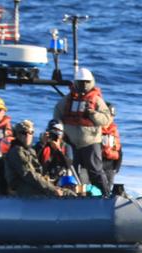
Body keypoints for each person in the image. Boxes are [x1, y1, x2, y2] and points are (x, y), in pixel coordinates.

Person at [53, 66, 111, 196]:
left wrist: (93, 114)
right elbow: (57, 112)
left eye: (86, 82)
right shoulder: (68, 99)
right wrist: (59, 129)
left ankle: (106, 195)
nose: (84, 85)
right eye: (81, 82)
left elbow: (107, 119)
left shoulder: (96, 100)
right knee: (72, 171)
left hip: (90, 142)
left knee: (95, 171)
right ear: (76, 83)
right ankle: (77, 196)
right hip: (71, 142)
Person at [3, 120, 65, 197]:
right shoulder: (16, 151)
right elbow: (29, 174)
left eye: (31, 133)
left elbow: (38, 169)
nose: (27, 136)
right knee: (59, 194)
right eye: (23, 133)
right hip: (22, 186)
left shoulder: (30, 150)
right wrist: (52, 189)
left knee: (68, 192)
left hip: (33, 184)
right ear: (17, 135)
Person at [101, 101, 122, 187]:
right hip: (97, 166)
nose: (111, 118)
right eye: (109, 115)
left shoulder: (114, 130)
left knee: (108, 190)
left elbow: (119, 150)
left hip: (110, 166)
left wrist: (116, 167)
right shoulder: (95, 129)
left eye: (112, 116)